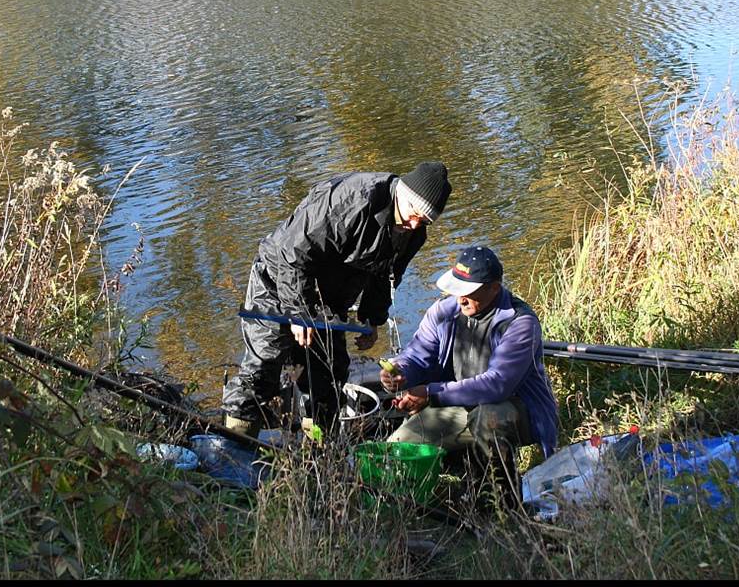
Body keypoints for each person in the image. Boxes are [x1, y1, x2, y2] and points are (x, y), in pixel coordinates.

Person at [221, 161, 452, 439]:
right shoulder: (352, 201)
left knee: (328, 376)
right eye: (414, 213)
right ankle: (230, 448)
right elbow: (292, 255)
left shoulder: (413, 232)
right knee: (263, 367)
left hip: (328, 298)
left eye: (425, 221)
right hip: (277, 281)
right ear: (402, 194)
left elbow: (387, 275)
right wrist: (299, 313)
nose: (415, 223)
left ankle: (319, 455)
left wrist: (371, 318)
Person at [381, 245, 558, 489]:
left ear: (494, 288)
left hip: (517, 409)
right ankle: (456, 475)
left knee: (488, 418)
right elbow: (417, 354)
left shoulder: (520, 323)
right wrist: (400, 372)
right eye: (457, 290)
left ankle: (503, 501)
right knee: (398, 447)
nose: (460, 298)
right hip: (457, 405)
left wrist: (431, 394)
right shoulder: (443, 312)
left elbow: (497, 385)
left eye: (469, 291)